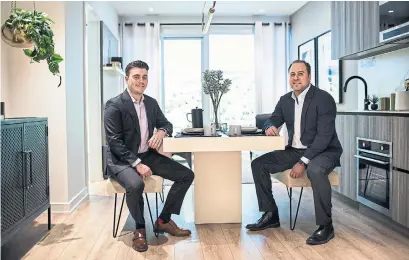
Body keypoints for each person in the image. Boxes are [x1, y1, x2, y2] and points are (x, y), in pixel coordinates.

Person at [246, 60, 343, 245]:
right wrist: (270, 126)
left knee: (315, 169)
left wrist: (304, 161)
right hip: (294, 150)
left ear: (309, 76)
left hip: (324, 151)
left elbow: (324, 137)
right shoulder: (285, 100)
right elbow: (272, 119)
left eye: (300, 73)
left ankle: (326, 226)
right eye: (292, 74)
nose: (296, 78)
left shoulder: (323, 99)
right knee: (258, 164)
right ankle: (271, 214)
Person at [104, 60, 194, 252]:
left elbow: (167, 124)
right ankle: (139, 229)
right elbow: (114, 142)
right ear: (127, 79)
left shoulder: (151, 103)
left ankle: (163, 220)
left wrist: (161, 131)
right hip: (121, 160)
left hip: (147, 154)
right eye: (136, 77)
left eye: (144, 77)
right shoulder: (114, 105)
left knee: (187, 175)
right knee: (136, 185)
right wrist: (136, 163)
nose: (141, 81)